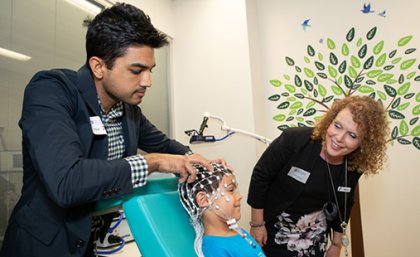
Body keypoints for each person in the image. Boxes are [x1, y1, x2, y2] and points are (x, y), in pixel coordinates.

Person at [0, 3, 220, 257]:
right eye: (136, 71)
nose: (147, 82)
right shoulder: (51, 91)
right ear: (98, 67)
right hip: (46, 245)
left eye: (150, 71)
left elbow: (165, 146)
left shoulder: (128, 110)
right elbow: (67, 182)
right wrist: (152, 163)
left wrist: (198, 162)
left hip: (96, 241)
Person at [247, 95, 389, 257]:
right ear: (330, 120)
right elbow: (261, 176)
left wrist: (336, 244)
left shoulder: (354, 166)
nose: (339, 138)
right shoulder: (294, 140)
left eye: (352, 135)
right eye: (337, 126)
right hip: (272, 232)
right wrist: (257, 224)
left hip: (313, 240)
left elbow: (344, 204)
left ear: (364, 143)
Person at [179, 163, 266, 257]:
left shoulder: (239, 232)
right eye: (231, 190)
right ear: (204, 200)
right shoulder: (215, 249)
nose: (240, 196)